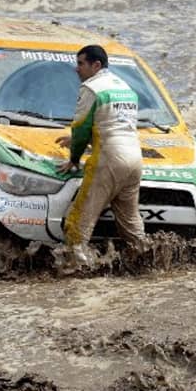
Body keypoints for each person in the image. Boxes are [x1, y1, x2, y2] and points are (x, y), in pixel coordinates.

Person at [55, 45, 146, 269]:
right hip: (134, 159)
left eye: (80, 64)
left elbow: (80, 128)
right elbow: (115, 125)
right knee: (131, 225)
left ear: (96, 65)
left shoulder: (91, 88)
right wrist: (81, 138)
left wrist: (74, 158)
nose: (76, 69)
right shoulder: (125, 87)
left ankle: (77, 273)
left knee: (78, 222)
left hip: (108, 160)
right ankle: (148, 262)